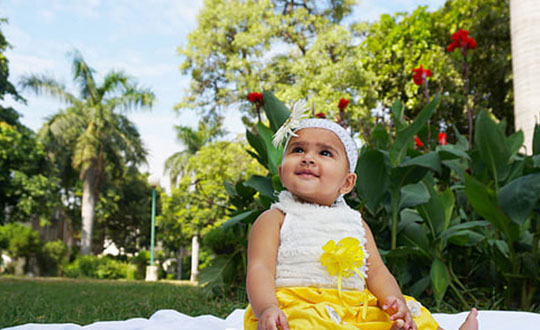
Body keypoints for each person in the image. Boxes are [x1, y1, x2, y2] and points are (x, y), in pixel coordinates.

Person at [244, 115, 479, 330]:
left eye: (325, 153)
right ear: (281, 171)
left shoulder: (355, 223)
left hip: (353, 308)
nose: (308, 158)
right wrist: (267, 308)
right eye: (298, 149)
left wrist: (393, 301)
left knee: (412, 317)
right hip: (298, 306)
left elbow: (376, 271)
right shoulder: (276, 218)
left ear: (347, 183)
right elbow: (260, 269)